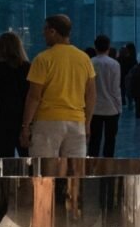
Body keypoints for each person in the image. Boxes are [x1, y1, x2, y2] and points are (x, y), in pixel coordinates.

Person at [19, 14, 96, 158]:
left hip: (47, 122)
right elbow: (91, 94)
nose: (43, 33)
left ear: (53, 31)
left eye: (45, 29)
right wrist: (87, 123)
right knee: (74, 168)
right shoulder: (84, 59)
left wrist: (26, 126)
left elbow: (34, 96)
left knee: (44, 168)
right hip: (77, 122)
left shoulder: (43, 59)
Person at [0, 31, 31, 158]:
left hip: (4, 119)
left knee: (5, 158)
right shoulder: (28, 67)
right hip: (24, 118)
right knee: (27, 157)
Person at [88, 34, 122, 158]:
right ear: (108, 47)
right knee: (110, 140)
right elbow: (115, 88)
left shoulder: (90, 62)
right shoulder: (114, 64)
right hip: (111, 107)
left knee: (94, 140)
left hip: (94, 107)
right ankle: (108, 163)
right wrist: (119, 107)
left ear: (95, 47)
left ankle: (92, 163)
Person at [118, 42, 137, 110]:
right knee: (129, 93)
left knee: (122, 91)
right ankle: (130, 104)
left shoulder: (119, 59)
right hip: (130, 79)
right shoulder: (133, 59)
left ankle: (124, 103)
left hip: (121, 77)